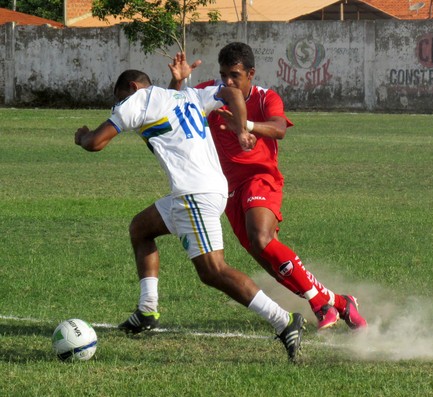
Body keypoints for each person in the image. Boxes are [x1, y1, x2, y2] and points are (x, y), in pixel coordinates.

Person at [74, 69, 305, 361]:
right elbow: (232, 92)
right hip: (205, 189)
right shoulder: (187, 95)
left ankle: (283, 321)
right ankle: (147, 310)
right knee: (141, 228)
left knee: (213, 271)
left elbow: (96, 142)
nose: (119, 107)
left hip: (193, 194)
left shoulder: (138, 100)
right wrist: (243, 126)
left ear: (132, 87)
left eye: (120, 99)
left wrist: (82, 136)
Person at [167, 43, 367, 331]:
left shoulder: (265, 98)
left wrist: (243, 124)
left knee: (261, 238)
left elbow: (278, 129)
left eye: (235, 75)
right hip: (226, 190)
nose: (228, 82)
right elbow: (171, 108)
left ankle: (318, 303)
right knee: (268, 258)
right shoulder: (211, 91)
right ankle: (338, 301)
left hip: (261, 179)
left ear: (251, 73)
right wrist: (177, 80)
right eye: (223, 75)